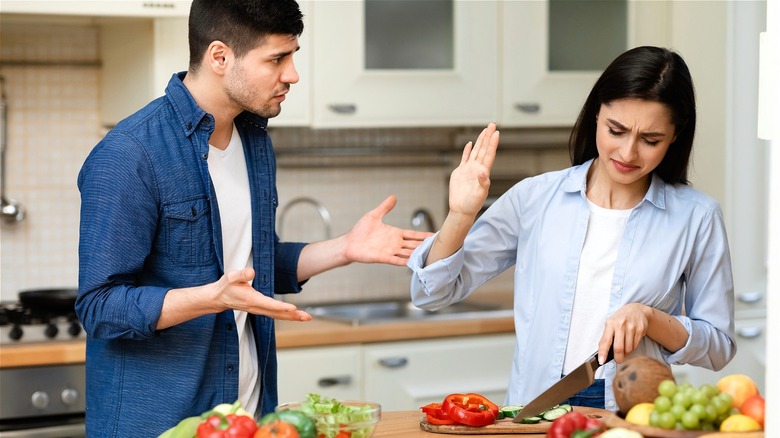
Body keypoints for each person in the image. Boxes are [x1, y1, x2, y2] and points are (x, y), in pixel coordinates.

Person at [76, 0, 430, 436]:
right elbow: (100, 307)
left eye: (293, 56)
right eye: (277, 59)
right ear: (220, 57)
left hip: (248, 420)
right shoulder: (130, 154)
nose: (293, 75)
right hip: (159, 424)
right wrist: (213, 297)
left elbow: (248, 266)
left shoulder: (254, 141)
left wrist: (344, 249)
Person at [409, 46, 736, 411]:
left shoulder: (697, 217)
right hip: (535, 405)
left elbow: (719, 345)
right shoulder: (535, 198)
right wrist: (459, 216)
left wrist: (650, 318)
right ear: (596, 113)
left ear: (675, 136)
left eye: (650, 140)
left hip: (632, 408)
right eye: (616, 130)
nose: (628, 153)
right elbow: (432, 293)